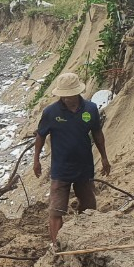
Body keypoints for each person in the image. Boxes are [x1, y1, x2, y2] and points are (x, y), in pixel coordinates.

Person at [32, 72, 111, 248]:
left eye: (70, 95)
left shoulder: (90, 109)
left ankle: (87, 239)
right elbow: (40, 136)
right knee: (56, 209)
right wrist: (36, 160)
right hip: (61, 170)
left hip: (84, 167)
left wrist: (104, 157)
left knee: (89, 206)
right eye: (64, 96)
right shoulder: (51, 112)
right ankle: (56, 246)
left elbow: (97, 134)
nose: (67, 99)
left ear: (78, 92)